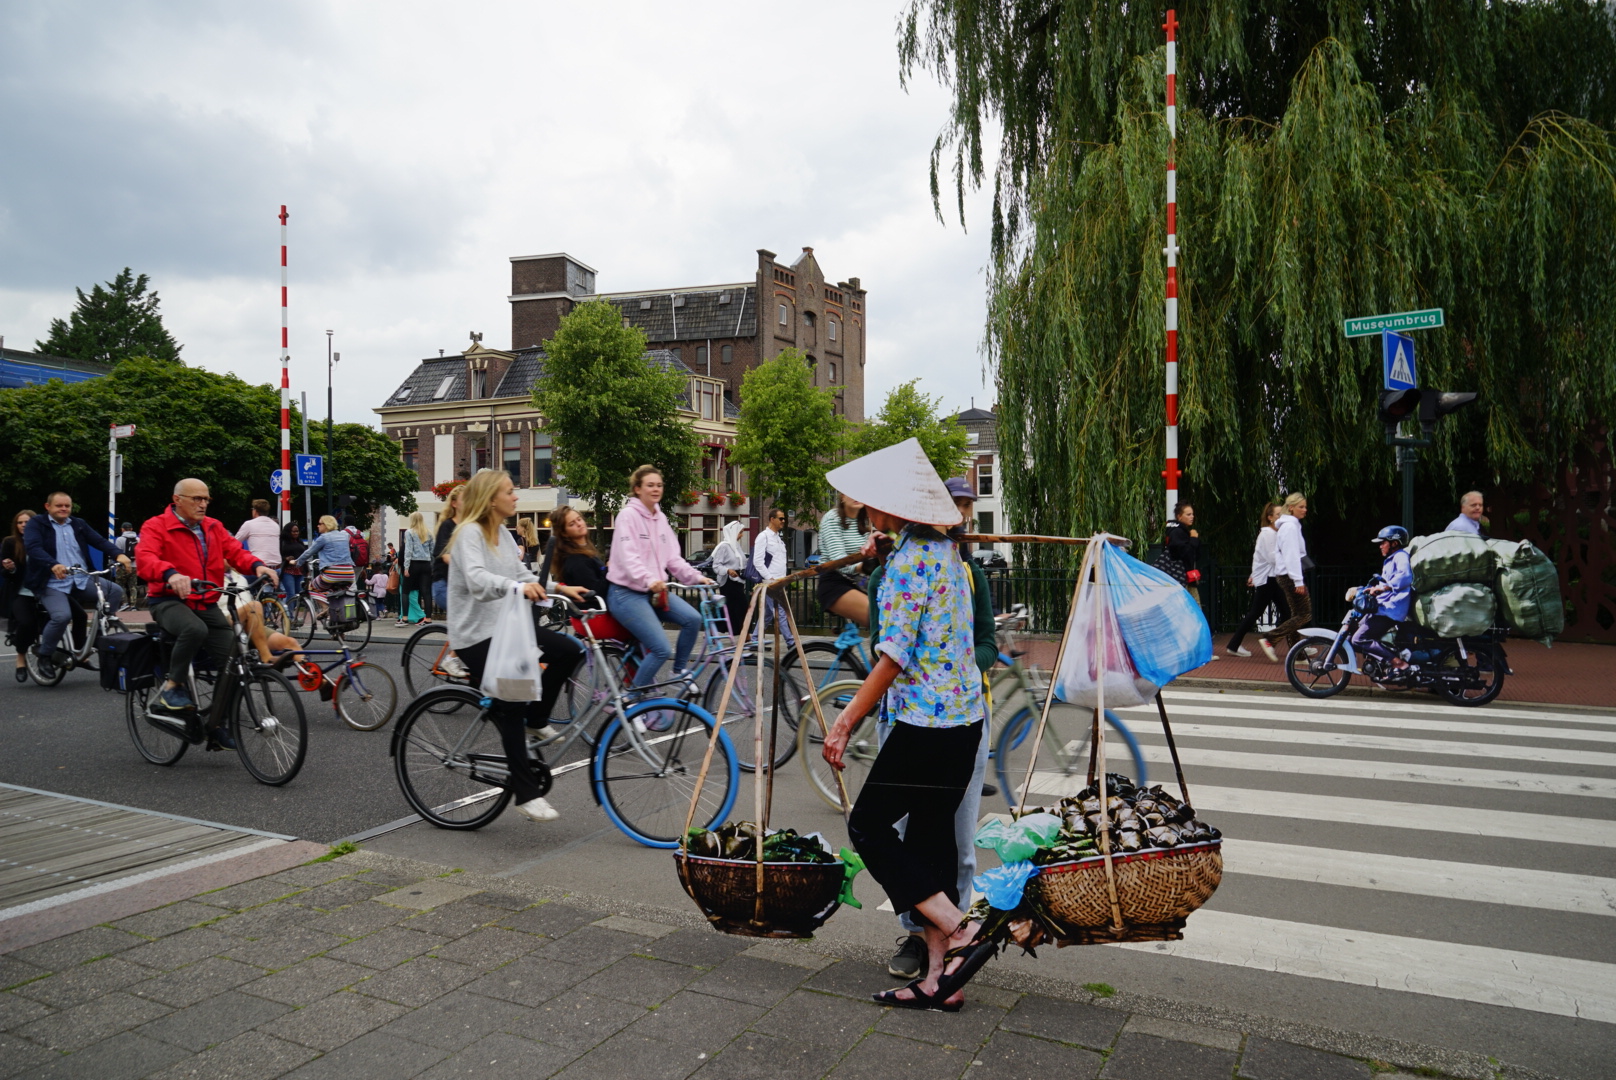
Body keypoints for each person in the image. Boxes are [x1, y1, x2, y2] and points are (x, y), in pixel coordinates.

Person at [821, 438, 986, 1012]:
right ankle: (941, 981)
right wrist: (880, 559)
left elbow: (892, 655)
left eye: (871, 504)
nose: (865, 511)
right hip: (963, 722)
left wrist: (843, 721)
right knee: (931, 844)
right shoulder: (941, 553)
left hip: (926, 725)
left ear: (890, 508)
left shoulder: (913, 562)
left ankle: (959, 930)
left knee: (867, 826)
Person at [878, 475, 1000, 982]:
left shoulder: (969, 573)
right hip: (905, 716)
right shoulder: (893, 566)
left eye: (969, 506)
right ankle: (917, 934)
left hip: (958, 713)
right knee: (907, 834)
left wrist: (960, 664)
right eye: (959, 505)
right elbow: (882, 647)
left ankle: (956, 933)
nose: (964, 515)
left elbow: (987, 642)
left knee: (956, 840)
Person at [445, 469, 586, 822]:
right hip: (476, 634)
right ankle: (525, 793)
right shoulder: (468, 535)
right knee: (510, 704)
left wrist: (560, 588)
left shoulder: (505, 537)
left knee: (570, 651)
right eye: (510, 491)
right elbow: (478, 580)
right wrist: (516, 588)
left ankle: (537, 718)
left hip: (509, 626)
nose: (516, 496)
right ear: (492, 498)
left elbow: (523, 575)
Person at [135, 478, 279, 744]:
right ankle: (172, 688)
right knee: (193, 629)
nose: (203, 504)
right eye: (197, 499)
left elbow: (236, 552)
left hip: (206, 600)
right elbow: (145, 559)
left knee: (233, 664)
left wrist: (258, 566)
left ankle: (215, 726)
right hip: (168, 600)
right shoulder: (156, 525)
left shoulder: (214, 527)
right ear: (177, 500)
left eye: (206, 499)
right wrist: (170, 574)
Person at [606, 465, 713, 691]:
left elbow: (673, 558)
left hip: (654, 593)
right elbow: (628, 557)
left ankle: (678, 671)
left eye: (659, 485)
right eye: (650, 485)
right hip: (626, 594)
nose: (656, 489)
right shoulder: (628, 516)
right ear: (637, 489)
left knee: (692, 619)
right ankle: (631, 699)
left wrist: (696, 577)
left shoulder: (661, 518)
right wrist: (648, 580)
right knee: (661, 649)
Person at [23, 492, 132, 681]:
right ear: (48, 507)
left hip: (80, 578)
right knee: (62, 616)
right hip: (51, 582)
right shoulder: (37, 524)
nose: (64, 509)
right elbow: (33, 547)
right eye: (59, 506)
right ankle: (45, 656)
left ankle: (98, 635)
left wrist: (118, 554)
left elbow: (98, 541)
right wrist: (52, 564)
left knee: (115, 591)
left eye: (67, 506)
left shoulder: (78, 524)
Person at [547, 506, 626, 638]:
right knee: (652, 639)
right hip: (595, 617)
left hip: (595, 615)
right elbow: (595, 591)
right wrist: (609, 569)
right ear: (565, 533)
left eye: (579, 519)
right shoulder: (576, 561)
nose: (579, 523)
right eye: (572, 524)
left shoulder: (584, 552)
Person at [1226, 501, 1290, 660]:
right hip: (1268, 579)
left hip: (1271, 578)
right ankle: (1235, 645)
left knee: (1286, 613)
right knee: (1265, 612)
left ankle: (1298, 648)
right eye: (1278, 515)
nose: (1281, 518)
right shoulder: (1268, 534)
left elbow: (1260, 558)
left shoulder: (1274, 533)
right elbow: (1271, 558)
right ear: (1269, 518)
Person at [1354, 525, 1415, 678]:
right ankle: (1382, 662)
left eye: (1383, 542)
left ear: (1394, 543)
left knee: (1359, 639)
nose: (1380, 546)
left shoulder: (1400, 556)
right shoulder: (1391, 559)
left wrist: (1384, 588)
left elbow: (1405, 576)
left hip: (1391, 609)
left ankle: (1399, 664)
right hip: (1385, 606)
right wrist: (1373, 588)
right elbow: (1387, 581)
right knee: (1357, 634)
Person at [816, 493, 870, 628]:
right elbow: (838, 560)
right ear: (842, 497)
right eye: (851, 491)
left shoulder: (864, 520)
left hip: (859, 581)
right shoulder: (832, 518)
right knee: (879, 617)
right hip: (835, 582)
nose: (857, 495)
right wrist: (863, 566)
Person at [1269, 492, 1312, 650]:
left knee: (1296, 614)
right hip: (1289, 576)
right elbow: (1291, 555)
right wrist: (1298, 580)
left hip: (1286, 575)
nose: (1305, 509)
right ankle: (1271, 637)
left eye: (1305, 506)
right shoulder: (1290, 527)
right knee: (1304, 614)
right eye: (1301, 507)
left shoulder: (1290, 525)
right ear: (1291, 508)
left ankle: (1298, 652)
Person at [2, 510, 39, 682]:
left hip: (45, 590)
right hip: (21, 591)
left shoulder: (44, 540)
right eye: (20, 523)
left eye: (27, 522)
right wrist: (11, 568)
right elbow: (6, 573)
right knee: (26, 622)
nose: (24, 525)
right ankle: (20, 659)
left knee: (69, 614)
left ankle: (76, 656)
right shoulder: (10, 542)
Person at [750, 506, 795, 647]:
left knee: (768, 613)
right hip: (770, 582)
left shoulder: (778, 538)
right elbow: (757, 561)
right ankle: (791, 642)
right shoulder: (763, 537)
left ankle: (755, 639)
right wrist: (769, 578)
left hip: (779, 581)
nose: (783, 521)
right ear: (772, 519)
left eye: (784, 518)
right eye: (781, 518)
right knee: (780, 611)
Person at [708, 519, 750, 637]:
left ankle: (714, 630)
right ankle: (746, 635)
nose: (741, 535)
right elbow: (716, 565)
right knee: (742, 606)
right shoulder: (724, 546)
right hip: (728, 582)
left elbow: (741, 562)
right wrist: (728, 570)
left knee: (727, 609)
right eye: (740, 532)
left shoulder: (736, 546)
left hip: (738, 581)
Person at [295, 515, 356, 593]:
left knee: (312, 588)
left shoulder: (324, 537)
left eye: (320, 524)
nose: (318, 526)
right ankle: (335, 605)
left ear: (326, 525)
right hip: (349, 574)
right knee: (334, 593)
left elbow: (309, 552)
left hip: (332, 574)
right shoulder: (345, 535)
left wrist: (297, 562)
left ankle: (324, 606)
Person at [431, 484, 464, 620]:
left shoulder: (470, 526)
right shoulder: (447, 526)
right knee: (465, 617)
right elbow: (445, 555)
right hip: (444, 584)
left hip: (461, 584)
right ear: (454, 503)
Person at [399, 511, 435, 627]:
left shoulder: (409, 533)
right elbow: (432, 551)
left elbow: (408, 550)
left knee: (405, 591)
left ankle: (404, 618)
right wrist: (432, 566)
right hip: (426, 564)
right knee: (426, 592)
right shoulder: (428, 533)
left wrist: (406, 567)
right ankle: (428, 618)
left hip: (414, 563)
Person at [235, 500, 283, 582]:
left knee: (241, 584)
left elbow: (234, 542)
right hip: (276, 569)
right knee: (268, 592)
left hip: (259, 567)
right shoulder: (275, 525)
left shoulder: (249, 524)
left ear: (255, 511)